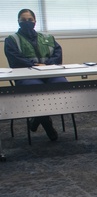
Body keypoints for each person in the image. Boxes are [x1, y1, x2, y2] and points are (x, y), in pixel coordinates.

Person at [4, 8, 64, 141]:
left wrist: (47, 64)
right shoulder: (11, 40)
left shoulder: (47, 38)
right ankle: (47, 124)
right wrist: (32, 64)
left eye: (30, 20)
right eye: (23, 20)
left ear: (35, 21)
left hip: (49, 73)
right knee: (36, 90)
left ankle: (36, 119)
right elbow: (14, 59)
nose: (27, 22)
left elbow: (58, 55)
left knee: (62, 85)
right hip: (26, 75)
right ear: (18, 22)